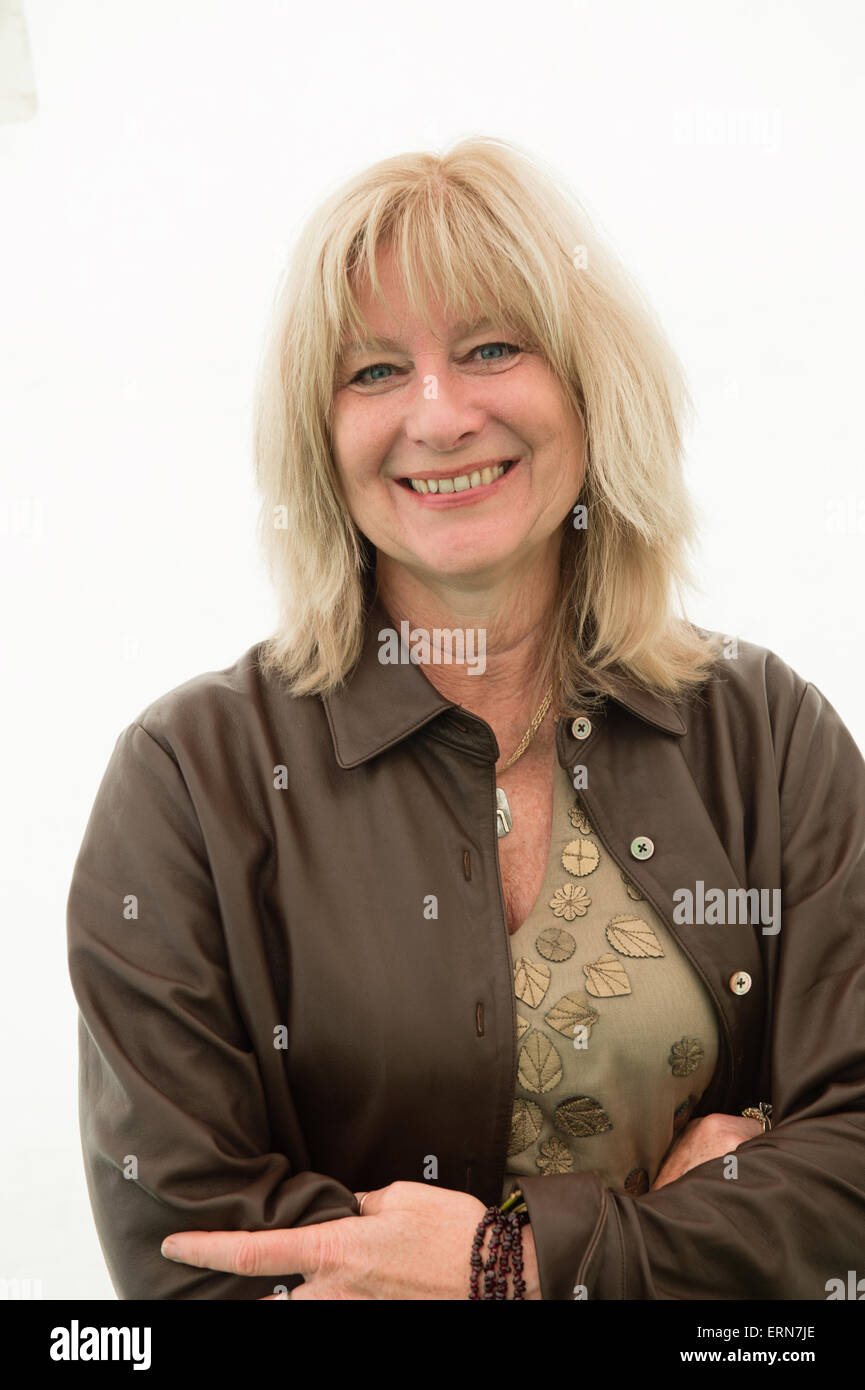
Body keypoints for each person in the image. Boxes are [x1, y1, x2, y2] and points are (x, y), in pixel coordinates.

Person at [67, 136, 865, 1301]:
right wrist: (685, 1235)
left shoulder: (765, 733)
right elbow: (199, 1258)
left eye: (491, 348)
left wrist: (521, 1265)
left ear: (590, 394)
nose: (438, 417)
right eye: (374, 372)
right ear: (319, 435)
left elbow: (848, 1175)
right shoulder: (187, 780)